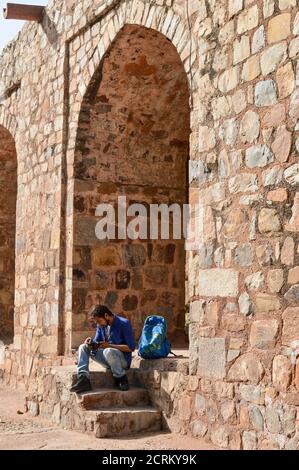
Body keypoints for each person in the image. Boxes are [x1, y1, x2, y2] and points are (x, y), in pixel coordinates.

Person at [70, 305, 135, 394]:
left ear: (106, 316)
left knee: (108, 351)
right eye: (97, 322)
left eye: (99, 321)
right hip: (107, 359)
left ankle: (121, 378)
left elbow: (131, 348)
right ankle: (83, 379)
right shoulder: (101, 326)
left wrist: (110, 346)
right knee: (83, 347)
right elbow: (97, 341)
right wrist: (90, 342)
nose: (98, 324)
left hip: (122, 361)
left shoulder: (124, 323)